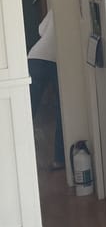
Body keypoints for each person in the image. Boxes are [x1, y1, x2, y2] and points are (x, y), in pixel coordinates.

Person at [28, 11, 63, 170]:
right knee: (61, 109)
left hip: (35, 57)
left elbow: (41, 30)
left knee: (28, 109)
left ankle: (18, 154)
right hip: (56, 60)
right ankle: (59, 159)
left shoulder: (55, 8)